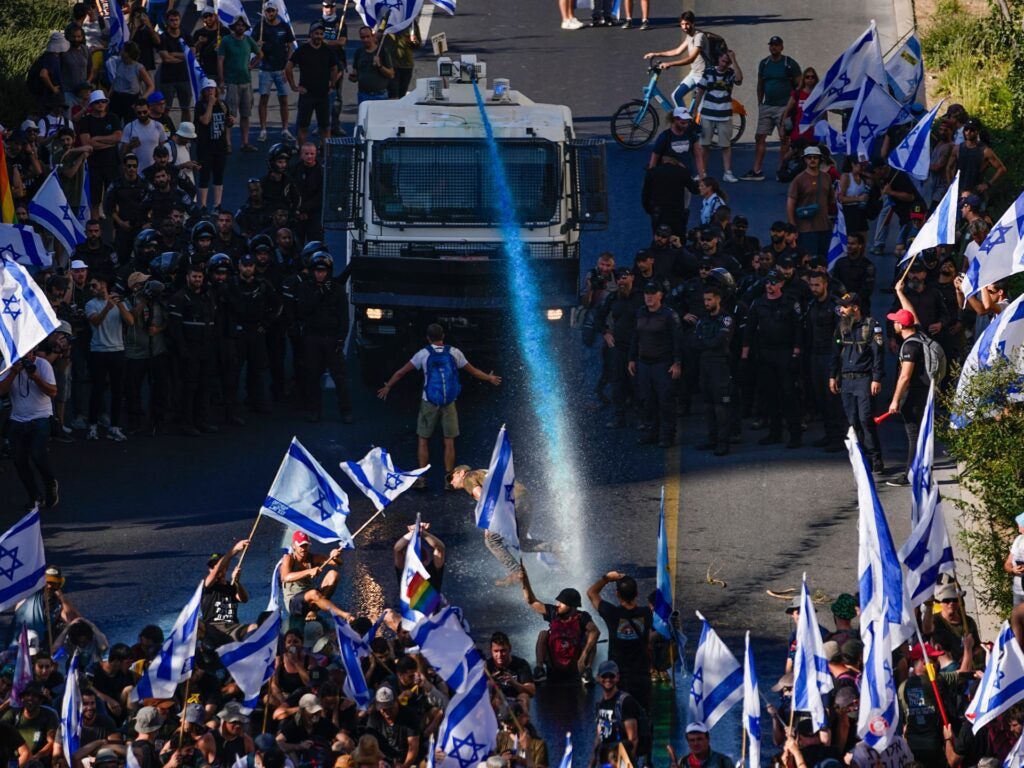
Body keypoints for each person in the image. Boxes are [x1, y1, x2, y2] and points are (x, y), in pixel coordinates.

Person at [377, 323, 501, 488]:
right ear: (443, 336)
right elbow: (474, 371)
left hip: (429, 402)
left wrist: (388, 386)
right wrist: (489, 378)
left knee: (423, 439)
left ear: (428, 338)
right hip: (449, 402)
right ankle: (449, 480)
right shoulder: (454, 352)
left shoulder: (423, 354)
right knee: (449, 441)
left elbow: (401, 372)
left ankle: (422, 479)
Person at [742, 270, 803, 447]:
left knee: (788, 395)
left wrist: (796, 354)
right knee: (770, 396)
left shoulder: (790, 303)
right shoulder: (758, 303)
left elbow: (798, 330)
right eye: (768, 282)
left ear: (781, 284)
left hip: (785, 353)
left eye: (774, 282)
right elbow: (749, 330)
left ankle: (795, 435)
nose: (770, 286)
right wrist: (745, 356)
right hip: (765, 354)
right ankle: (774, 433)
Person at [292, 251, 352, 423]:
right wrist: (318, 295)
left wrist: (341, 338)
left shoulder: (338, 290)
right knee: (312, 377)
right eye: (317, 271)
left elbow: (344, 318)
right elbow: (302, 311)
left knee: (340, 377)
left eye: (323, 271)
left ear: (329, 271)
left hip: (332, 338)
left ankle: (346, 411)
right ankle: (314, 411)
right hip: (312, 338)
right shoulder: (304, 288)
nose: (320, 274)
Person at [830, 292, 884, 472]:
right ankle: (861, 456)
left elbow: (878, 355)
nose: (842, 310)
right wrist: (832, 376)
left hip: (864, 379)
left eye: (845, 306)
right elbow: (835, 353)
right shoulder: (841, 327)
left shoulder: (871, 326)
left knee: (866, 419)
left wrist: (876, 378)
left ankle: (875, 457)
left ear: (856, 308)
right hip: (846, 380)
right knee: (853, 420)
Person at [0, 347, 60, 509]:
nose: (27, 356)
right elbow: (1, 391)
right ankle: (34, 495)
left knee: (37, 453)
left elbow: (53, 391)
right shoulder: (7, 365)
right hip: (17, 418)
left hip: (40, 416)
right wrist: (13, 373)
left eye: (29, 352)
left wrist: (35, 376)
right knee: (19, 460)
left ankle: (49, 483)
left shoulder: (43, 365)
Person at [886, 307, 938, 485]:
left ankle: (910, 475)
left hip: (914, 395)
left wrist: (895, 400)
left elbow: (905, 376)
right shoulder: (921, 337)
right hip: (925, 392)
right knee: (922, 434)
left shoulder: (909, 346)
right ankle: (924, 470)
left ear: (901, 325)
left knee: (914, 436)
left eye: (895, 321)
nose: (893, 324)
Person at [628, 281, 684, 448]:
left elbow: (678, 341)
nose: (649, 296)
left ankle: (667, 435)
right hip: (644, 364)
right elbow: (635, 337)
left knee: (665, 401)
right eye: (647, 293)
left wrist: (677, 363)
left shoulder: (669, 315)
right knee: (646, 400)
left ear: (661, 295)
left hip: (663, 364)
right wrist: (631, 359)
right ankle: (651, 432)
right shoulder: (640, 313)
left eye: (653, 293)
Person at [520, 569, 599, 684]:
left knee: (591, 637)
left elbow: (595, 632)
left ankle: (587, 671)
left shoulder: (582, 617)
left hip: (575, 664)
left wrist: (584, 655)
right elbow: (531, 601)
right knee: (543, 633)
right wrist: (524, 581)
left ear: (572, 605)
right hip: (554, 662)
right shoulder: (553, 612)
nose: (557, 605)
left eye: (561, 602)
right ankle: (540, 669)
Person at [586, 572, 652, 710]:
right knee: (642, 716)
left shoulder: (611, 613)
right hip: (641, 676)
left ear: (617, 594)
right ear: (637, 593)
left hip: (618, 676)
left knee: (619, 713)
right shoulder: (646, 613)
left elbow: (591, 592)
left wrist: (607, 578)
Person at [168, 263, 219, 435]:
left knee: (205, 387)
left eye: (200, 277)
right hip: (189, 350)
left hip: (206, 348)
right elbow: (175, 328)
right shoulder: (180, 298)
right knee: (189, 388)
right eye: (194, 276)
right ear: (187, 277)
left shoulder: (207, 296)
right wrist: (183, 350)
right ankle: (187, 423)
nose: (197, 280)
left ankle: (202, 421)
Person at [744, 36, 800, 181]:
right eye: (771, 45)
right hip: (767, 106)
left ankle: (781, 170)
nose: (773, 47)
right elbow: (760, 84)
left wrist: (792, 105)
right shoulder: (764, 63)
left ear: (782, 47)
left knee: (784, 139)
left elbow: (799, 84)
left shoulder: (789, 64)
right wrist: (759, 103)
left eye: (776, 45)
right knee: (760, 137)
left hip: (784, 107)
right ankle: (756, 170)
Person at [85, 274, 133, 442]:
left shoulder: (118, 302)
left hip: (117, 351)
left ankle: (114, 426)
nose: (92, 289)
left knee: (117, 390)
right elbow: (96, 321)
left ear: (104, 284)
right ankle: (92, 425)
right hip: (98, 351)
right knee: (97, 389)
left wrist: (119, 305)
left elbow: (130, 321)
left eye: (94, 285)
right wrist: (107, 306)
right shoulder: (90, 304)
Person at [692, 284, 735, 455]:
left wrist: (705, 341)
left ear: (718, 299)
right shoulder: (703, 319)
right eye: (705, 300)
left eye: (709, 299)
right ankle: (712, 438)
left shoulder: (726, 319)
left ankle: (723, 442)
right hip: (705, 365)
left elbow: (720, 341)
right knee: (708, 404)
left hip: (720, 365)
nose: (706, 303)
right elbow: (694, 342)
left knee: (721, 405)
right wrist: (707, 342)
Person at [804, 272, 844, 452]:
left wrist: (837, 359)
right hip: (815, 355)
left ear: (825, 285)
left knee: (832, 398)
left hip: (830, 355)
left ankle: (838, 437)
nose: (813, 289)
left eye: (817, 285)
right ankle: (828, 433)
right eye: (811, 285)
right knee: (820, 397)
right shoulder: (811, 305)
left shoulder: (835, 306)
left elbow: (841, 334)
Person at [286, 23, 339, 147]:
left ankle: (326, 154)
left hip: (323, 95)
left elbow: (335, 68)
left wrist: (332, 85)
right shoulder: (302, 50)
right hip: (307, 95)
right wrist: (294, 86)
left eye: (321, 34)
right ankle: (302, 153)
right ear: (310, 34)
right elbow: (288, 68)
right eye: (316, 33)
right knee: (303, 127)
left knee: (325, 127)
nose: (319, 36)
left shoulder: (327, 50)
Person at [279, 531, 348, 627]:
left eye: (306, 545)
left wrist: (335, 557)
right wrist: (309, 571)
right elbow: (285, 577)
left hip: (311, 598)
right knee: (313, 593)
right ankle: (344, 615)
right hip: (294, 603)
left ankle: (313, 610)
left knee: (333, 574)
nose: (303, 549)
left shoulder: (313, 557)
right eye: (301, 546)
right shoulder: (288, 558)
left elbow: (338, 564)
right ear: (293, 546)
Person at [693, 50, 742, 182]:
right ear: (718, 59)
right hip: (708, 114)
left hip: (725, 114)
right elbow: (700, 91)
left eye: (727, 62)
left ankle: (727, 172)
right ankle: (702, 172)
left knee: (725, 145)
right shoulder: (709, 72)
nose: (724, 64)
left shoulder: (731, 73)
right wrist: (695, 110)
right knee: (705, 145)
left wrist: (734, 60)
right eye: (723, 61)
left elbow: (739, 79)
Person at [218, 15, 262, 152]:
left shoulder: (248, 40)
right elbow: (220, 61)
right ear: (233, 27)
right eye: (238, 25)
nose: (240, 27)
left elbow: (260, 54)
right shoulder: (226, 40)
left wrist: (253, 65)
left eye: (242, 25)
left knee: (245, 114)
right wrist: (221, 80)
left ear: (245, 27)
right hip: (231, 83)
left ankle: (245, 142)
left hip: (246, 82)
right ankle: (228, 143)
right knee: (230, 115)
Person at [643, 12, 706, 106]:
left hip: (702, 76)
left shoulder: (699, 37)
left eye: (687, 24)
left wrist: (670, 64)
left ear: (693, 23)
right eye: (682, 24)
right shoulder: (690, 36)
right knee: (676, 96)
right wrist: (655, 54)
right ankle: (685, 119)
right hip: (694, 73)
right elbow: (677, 51)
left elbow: (691, 59)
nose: (684, 27)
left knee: (701, 107)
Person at [78, 91, 124, 218]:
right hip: (94, 166)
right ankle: (95, 229)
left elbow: (118, 137)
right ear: (92, 104)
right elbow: (87, 143)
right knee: (95, 201)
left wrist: (97, 138)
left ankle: (115, 229)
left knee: (114, 198)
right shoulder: (86, 121)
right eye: (97, 102)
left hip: (112, 164)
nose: (100, 104)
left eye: (103, 101)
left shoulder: (112, 117)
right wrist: (110, 142)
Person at [592, 661, 647, 767]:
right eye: (604, 676)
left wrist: (625, 765)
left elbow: (633, 739)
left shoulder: (625, 702)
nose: (608, 679)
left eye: (611, 676)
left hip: (622, 760)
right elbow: (599, 737)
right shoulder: (600, 704)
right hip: (606, 761)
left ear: (617, 677)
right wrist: (592, 763)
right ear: (598, 678)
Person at [255, 2, 296, 142]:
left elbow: (290, 46)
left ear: (277, 11)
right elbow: (250, 44)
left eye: (272, 11)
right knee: (263, 99)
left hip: (281, 69)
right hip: (265, 69)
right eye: (267, 11)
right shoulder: (260, 26)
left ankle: (285, 129)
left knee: (283, 100)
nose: (269, 13)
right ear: (264, 12)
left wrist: (287, 65)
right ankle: (263, 130)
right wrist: (257, 45)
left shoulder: (284, 26)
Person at [787, 146, 835, 257]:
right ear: (805, 160)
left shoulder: (826, 177)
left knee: (823, 260)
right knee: (808, 260)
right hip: (805, 229)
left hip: (824, 227)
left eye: (815, 157)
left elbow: (831, 199)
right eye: (809, 157)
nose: (812, 160)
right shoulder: (799, 179)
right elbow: (790, 204)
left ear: (820, 159)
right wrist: (792, 227)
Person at [202, 541, 251, 646]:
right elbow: (216, 572)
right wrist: (234, 550)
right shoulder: (207, 585)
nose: (214, 569)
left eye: (217, 565)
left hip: (232, 627)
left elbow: (244, 599)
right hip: (213, 627)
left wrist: (237, 582)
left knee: (253, 628)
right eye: (211, 567)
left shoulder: (231, 586)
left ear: (226, 567)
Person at [946, 117, 1006, 197]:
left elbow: (1002, 169)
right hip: (957, 193)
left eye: (972, 130)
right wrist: (951, 186)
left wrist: (987, 185)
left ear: (977, 132)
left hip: (974, 195)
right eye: (966, 129)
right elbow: (948, 168)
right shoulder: (957, 149)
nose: (968, 132)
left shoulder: (985, 151)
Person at [195, 78, 231, 210]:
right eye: (207, 89)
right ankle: (202, 205)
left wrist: (230, 123)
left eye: (212, 88)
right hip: (205, 147)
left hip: (220, 146)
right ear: (203, 91)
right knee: (204, 176)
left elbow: (226, 124)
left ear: (216, 90)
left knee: (218, 175)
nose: (210, 91)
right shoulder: (200, 105)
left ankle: (217, 204)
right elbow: (205, 121)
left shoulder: (223, 104)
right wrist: (210, 104)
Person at [486, 632, 536, 710]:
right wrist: (490, 683)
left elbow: (532, 691)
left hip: (516, 700)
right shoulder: (487, 666)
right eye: (496, 651)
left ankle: (522, 719)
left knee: (524, 696)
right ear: (491, 651)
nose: (499, 655)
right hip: (497, 701)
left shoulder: (521, 664)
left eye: (503, 651)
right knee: (496, 697)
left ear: (510, 648)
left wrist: (514, 683)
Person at [349, 27, 394, 104]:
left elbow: (391, 74)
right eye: (363, 37)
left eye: (368, 36)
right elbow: (355, 75)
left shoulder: (382, 52)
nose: (365, 39)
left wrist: (380, 65)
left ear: (372, 36)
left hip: (380, 95)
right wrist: (352, 77)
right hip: (363, 95)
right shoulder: (359, 52)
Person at [119, 98, 164, 173]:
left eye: (144, 112)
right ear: (135, 112)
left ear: (149, 110)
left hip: (155, 171)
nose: (142, 114)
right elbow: (122, 154)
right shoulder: (129, 127)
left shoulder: (158, 126)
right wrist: (131, 146)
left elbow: (163, 148)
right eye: (139, 113)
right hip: (136, 171)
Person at [1005, 512, 1024, 608]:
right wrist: (1013, 570)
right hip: (1018, 592)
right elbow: (1008, 563)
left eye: (1020, 523)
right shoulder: (1019, 540)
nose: (1018, 525)